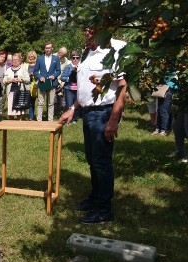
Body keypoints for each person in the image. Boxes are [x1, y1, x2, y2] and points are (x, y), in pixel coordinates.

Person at [58, 27, 128, 224]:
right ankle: (96, 199)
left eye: (91, 30)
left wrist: (113, 119)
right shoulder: (87, 52)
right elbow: (87, 90)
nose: (86, 34)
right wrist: (73, 108)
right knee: (92, 160)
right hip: (88, 113)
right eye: (85, 30)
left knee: (101, 162)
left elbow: (122, 85)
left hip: (103, 113)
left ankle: (104, 210)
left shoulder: (114, 49)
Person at [34, 42, 62, 121]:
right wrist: (40, 77)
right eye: (46, 48)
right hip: (42, 83)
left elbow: (59, 71)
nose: (47, 49)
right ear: (44, 49)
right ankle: (39, 120)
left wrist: (54, 76)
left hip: (52, 83)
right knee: (40, 103)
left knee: (51, 103)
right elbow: (35, 71)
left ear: (52, 48)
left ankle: (50, 120)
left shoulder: (56, 58)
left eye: (49, 48)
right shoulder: (40, 58)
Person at [3, 52, 30, 119]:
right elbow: (4, 81)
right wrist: (10, 80)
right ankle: (11, 124)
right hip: (11, 92)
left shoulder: (23, 69)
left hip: (20, 91)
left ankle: (19, 123)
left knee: (19, 109)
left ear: (20, 60)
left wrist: (21, 80)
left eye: (17, 59)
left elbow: (28, 79)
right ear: (12, 61)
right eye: (14, 60)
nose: (15, 61)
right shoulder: (8, 70)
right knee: (10, 110)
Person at [60, 49, 81, 125]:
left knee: (77, 104)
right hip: (69, 88)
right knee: (69, 104)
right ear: (71, 58)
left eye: (77, 57)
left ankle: (75, 119)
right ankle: (69, 119)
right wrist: (70, 78)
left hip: (78, 89)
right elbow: (62, 77)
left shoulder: (82, 67)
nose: (75, 59)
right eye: (73, 57)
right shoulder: (68, 67)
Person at [25, 50, 38, 120]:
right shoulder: (25, 65)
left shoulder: (37, 65)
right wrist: (28, 75)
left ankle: (34, 116)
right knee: (28, 102)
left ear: (35, 57)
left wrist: (35, 74)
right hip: (26, 85)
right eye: (29, 56)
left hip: (35, 85)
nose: (30, 57)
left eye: (32, 56)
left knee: (34, 102)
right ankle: (29, 116)